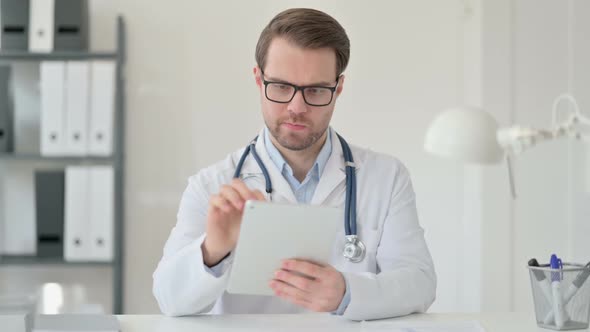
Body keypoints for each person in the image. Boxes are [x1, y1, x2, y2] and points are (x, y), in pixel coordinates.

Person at [152, 8, 436, 321]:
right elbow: (169, 299)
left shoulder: (386, 177)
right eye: (282, 87)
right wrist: (213, 250)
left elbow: (420, 283)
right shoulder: (211, 186)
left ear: (338, 88)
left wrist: (348, 293)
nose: (296, 107)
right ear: (259, 80)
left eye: (315, 90)